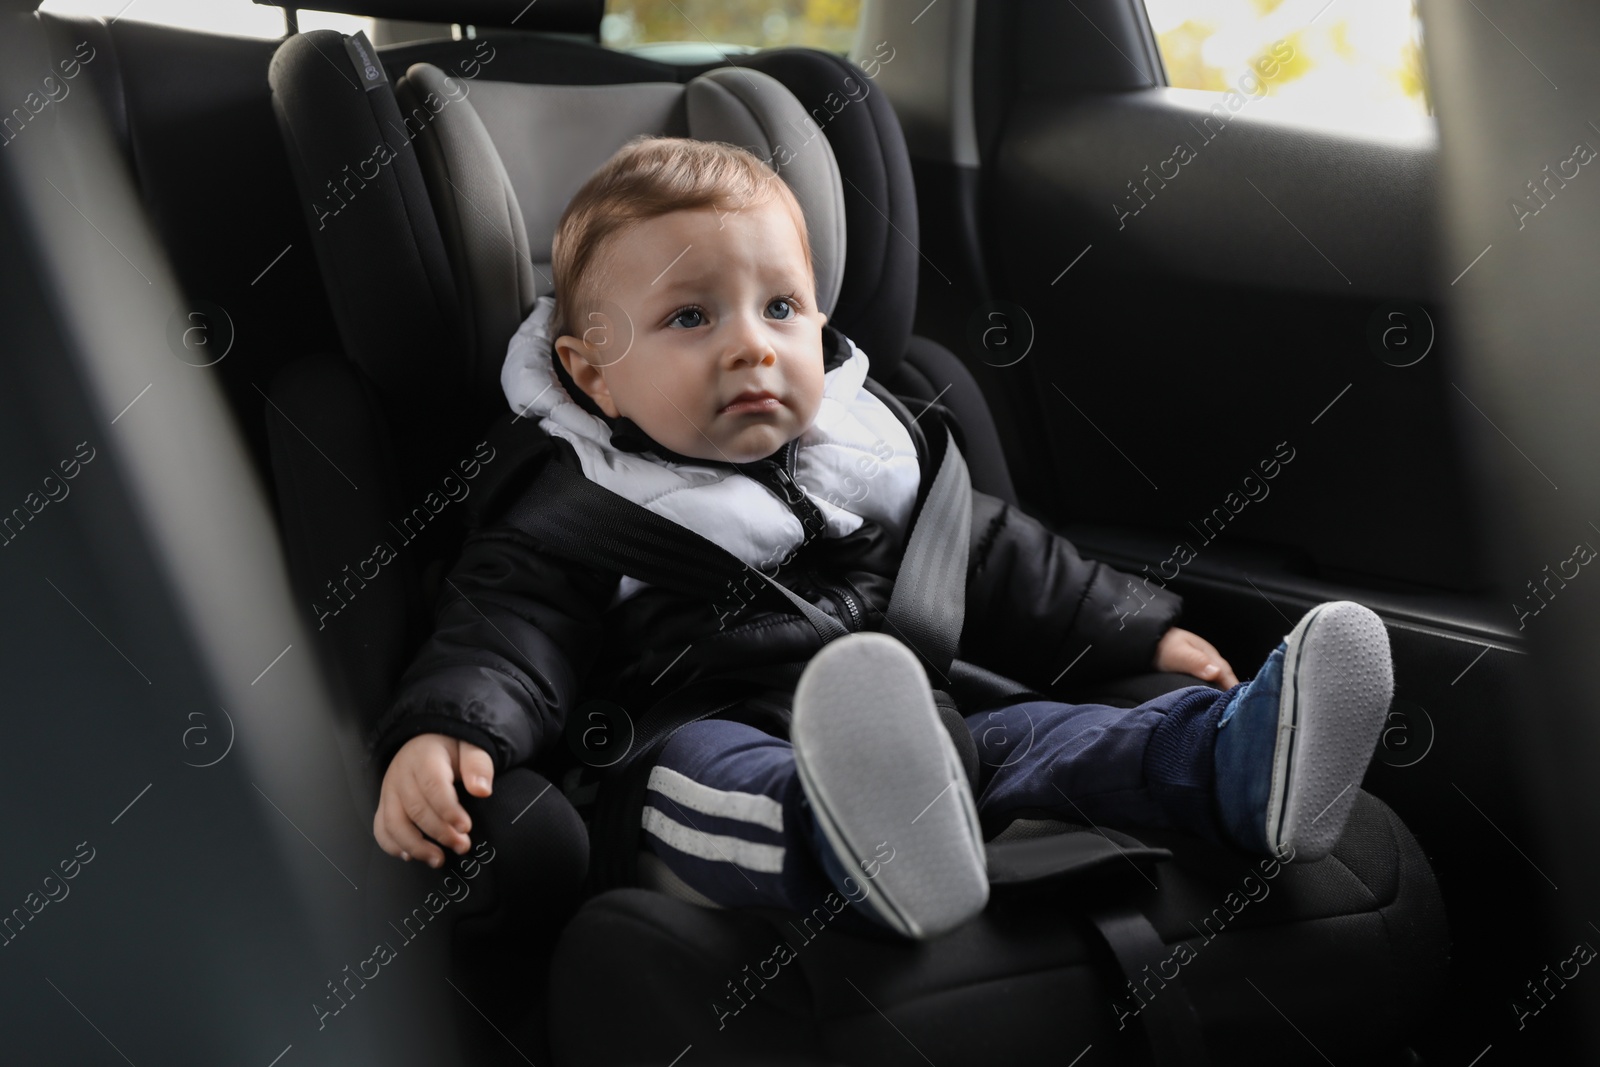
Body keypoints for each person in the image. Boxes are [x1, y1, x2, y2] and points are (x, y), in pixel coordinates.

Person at [368, 135, 1393, 939]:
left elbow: (990, 555)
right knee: (714, 781)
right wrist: (452, 729)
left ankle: (1233, 761)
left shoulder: (866, 458)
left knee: (1034, 733)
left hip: (911, 726)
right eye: (690, 318)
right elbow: (505, 632)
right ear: (592, 373)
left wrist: (1135, 632)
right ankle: (846, 842)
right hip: (682, 740)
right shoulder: (577, 506)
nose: (751, 346)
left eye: (780, 307)